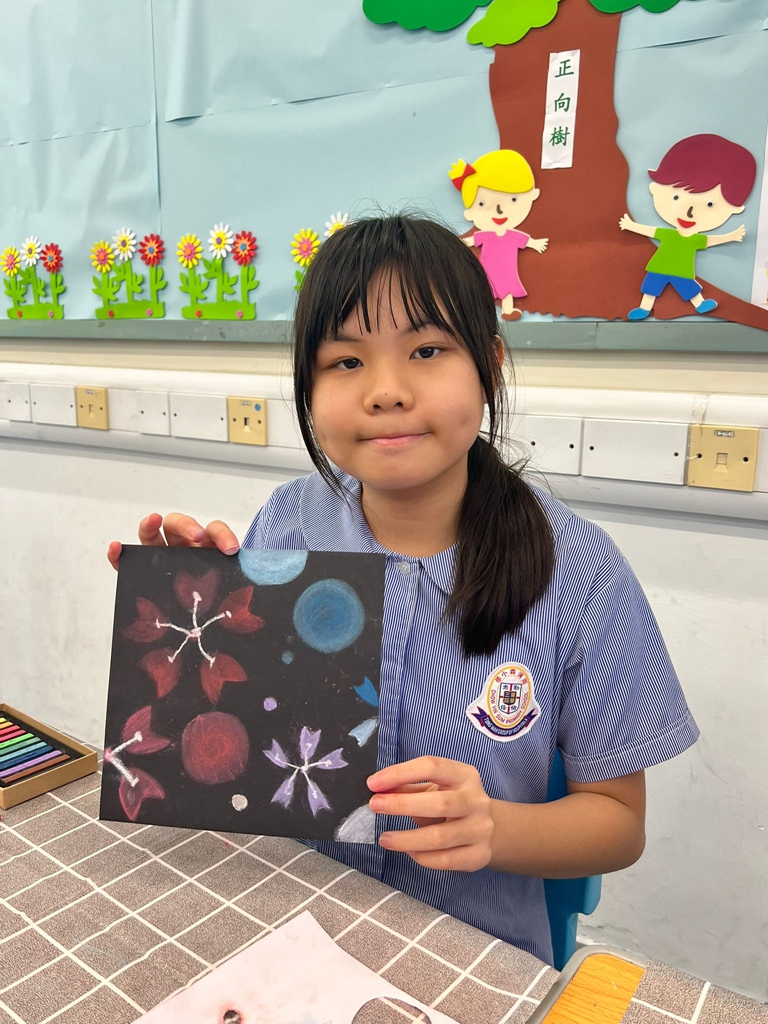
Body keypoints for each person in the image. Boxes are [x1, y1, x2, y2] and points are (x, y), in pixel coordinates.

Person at [108, 215, 698, 964]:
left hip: (474, 953)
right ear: (308, 387)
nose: (386, 391)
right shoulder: (288, 524)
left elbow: (617, 822)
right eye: (346, 361)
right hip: (297, 920)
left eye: (426, 350)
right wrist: (185, 619)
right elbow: (243, 744)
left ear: (488, 364)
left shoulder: (582, 572)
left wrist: (497, 828)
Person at [620, 133, 757, 320]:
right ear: (656, 188)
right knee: (651, 288)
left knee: (689, 287)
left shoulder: (695, 240)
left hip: (682, 270)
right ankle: (644, 308)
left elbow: (711, 241)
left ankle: (700, 304)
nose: (690, 212)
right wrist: (630, 225)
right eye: (676, 196)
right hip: (660, 267)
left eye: (710, 204)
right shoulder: (669, 234)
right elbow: (650, 231)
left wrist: (731, 236)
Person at [449, 149, 548, 321]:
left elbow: (526, 241)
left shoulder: (512, 235)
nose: (499, 210)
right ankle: (481, 312)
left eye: (513, 199)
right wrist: (457, 243)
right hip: (488, 268)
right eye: (482, 203)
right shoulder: (486, 235)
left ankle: (508, 311)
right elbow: (471, 241)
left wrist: (536, 243)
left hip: (507, 269)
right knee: (484, 288)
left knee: (508, 290)